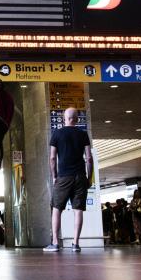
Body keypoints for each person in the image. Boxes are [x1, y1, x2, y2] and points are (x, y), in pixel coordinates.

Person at [43, 108, 93, 253]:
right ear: (77, 119)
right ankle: (75, 244)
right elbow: (89, 158)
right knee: (78, 210)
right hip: (79, 176)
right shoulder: (83, 134)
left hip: (63, 176)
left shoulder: (57, 134)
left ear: (64, 118)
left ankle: (55, 243)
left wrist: (54, 176)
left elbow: (52, 158)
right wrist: (88, 178)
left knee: (57, 208)